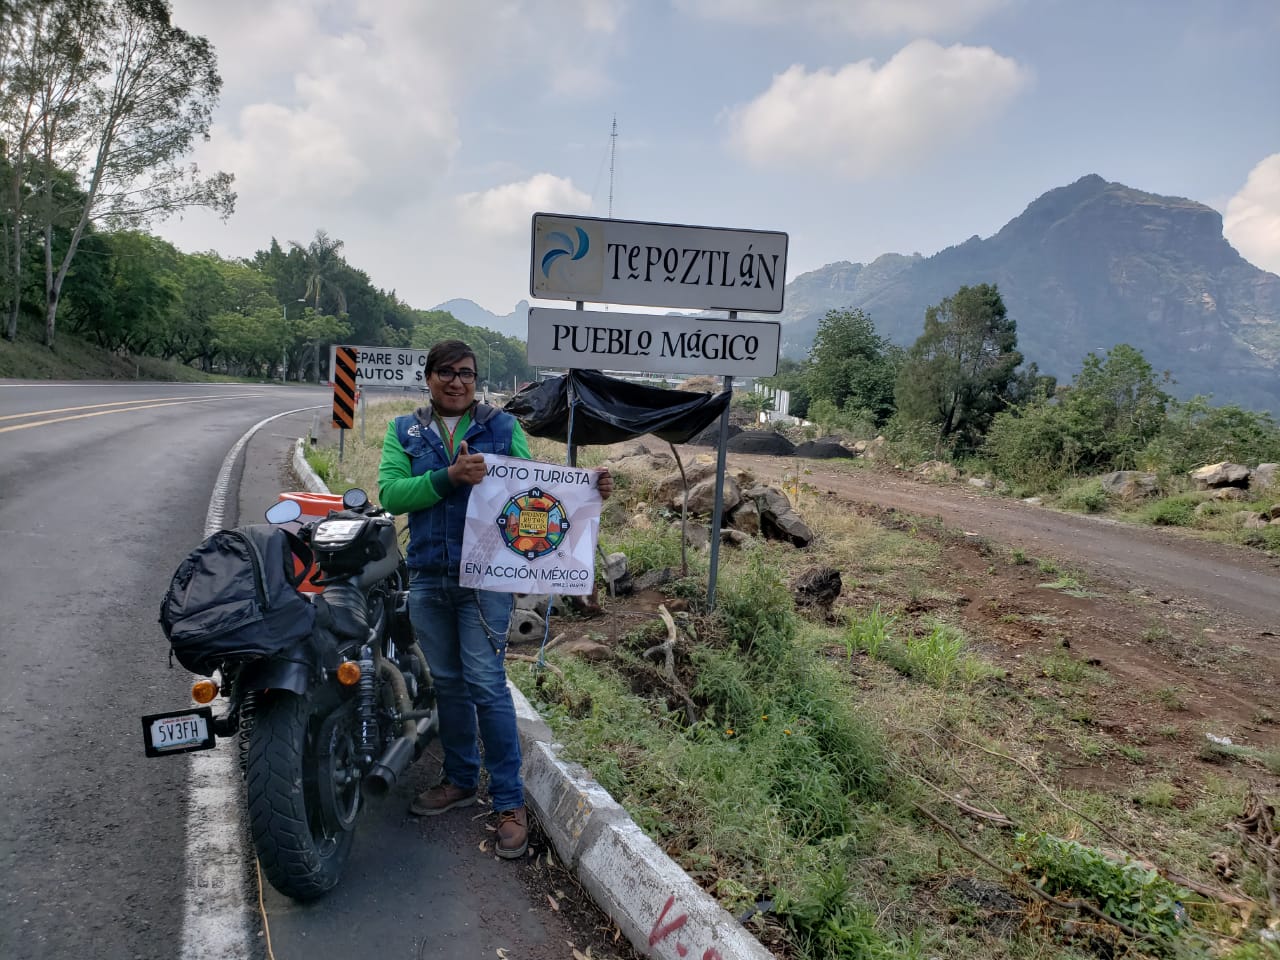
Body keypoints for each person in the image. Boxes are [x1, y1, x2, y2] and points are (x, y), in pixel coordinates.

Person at [377, 339, 612, 859]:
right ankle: (460, 779)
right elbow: (391, 494)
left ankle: (509, 802)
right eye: (446, 372)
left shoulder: (501, 428)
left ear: (475, 378)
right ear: (429, 377)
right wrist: (447, 477)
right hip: (429, 576)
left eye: (465, 373)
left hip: (486, 581)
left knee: (486, 684)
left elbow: (534, 493)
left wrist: (587, 493)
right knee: (450, 685)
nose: (457, 381)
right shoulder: (404, 431)